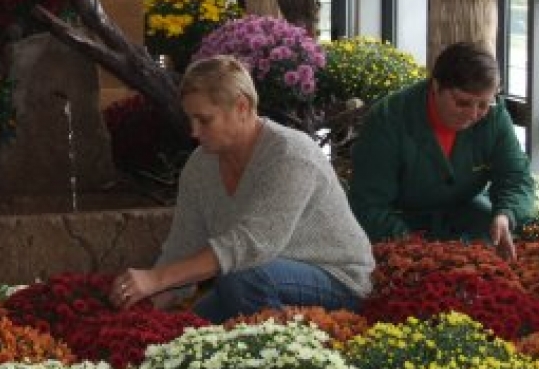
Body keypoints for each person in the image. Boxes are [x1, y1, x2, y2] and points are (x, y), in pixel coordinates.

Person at [111, 55, 374, 323]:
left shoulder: (291, 154)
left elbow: (252, 244)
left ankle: (282, 357)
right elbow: (183, 248)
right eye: (190, 119)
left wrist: (156, 279)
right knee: (187, 332)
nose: (193, 131)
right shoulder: (199, 166)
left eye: (204, 120)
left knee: (239, 277)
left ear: (242, 107)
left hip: (338, 281)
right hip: (260, 278)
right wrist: (141, 307)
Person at [348, 41, 534, 261]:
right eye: (462, 103)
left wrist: (506, 215)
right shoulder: (388, 119)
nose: (473, 114)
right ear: (435, 87)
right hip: (399, 223)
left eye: (483, 104)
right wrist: (417, 251)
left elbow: (516, 177)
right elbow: (369, 205)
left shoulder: (495, 116)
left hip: (466, 214)